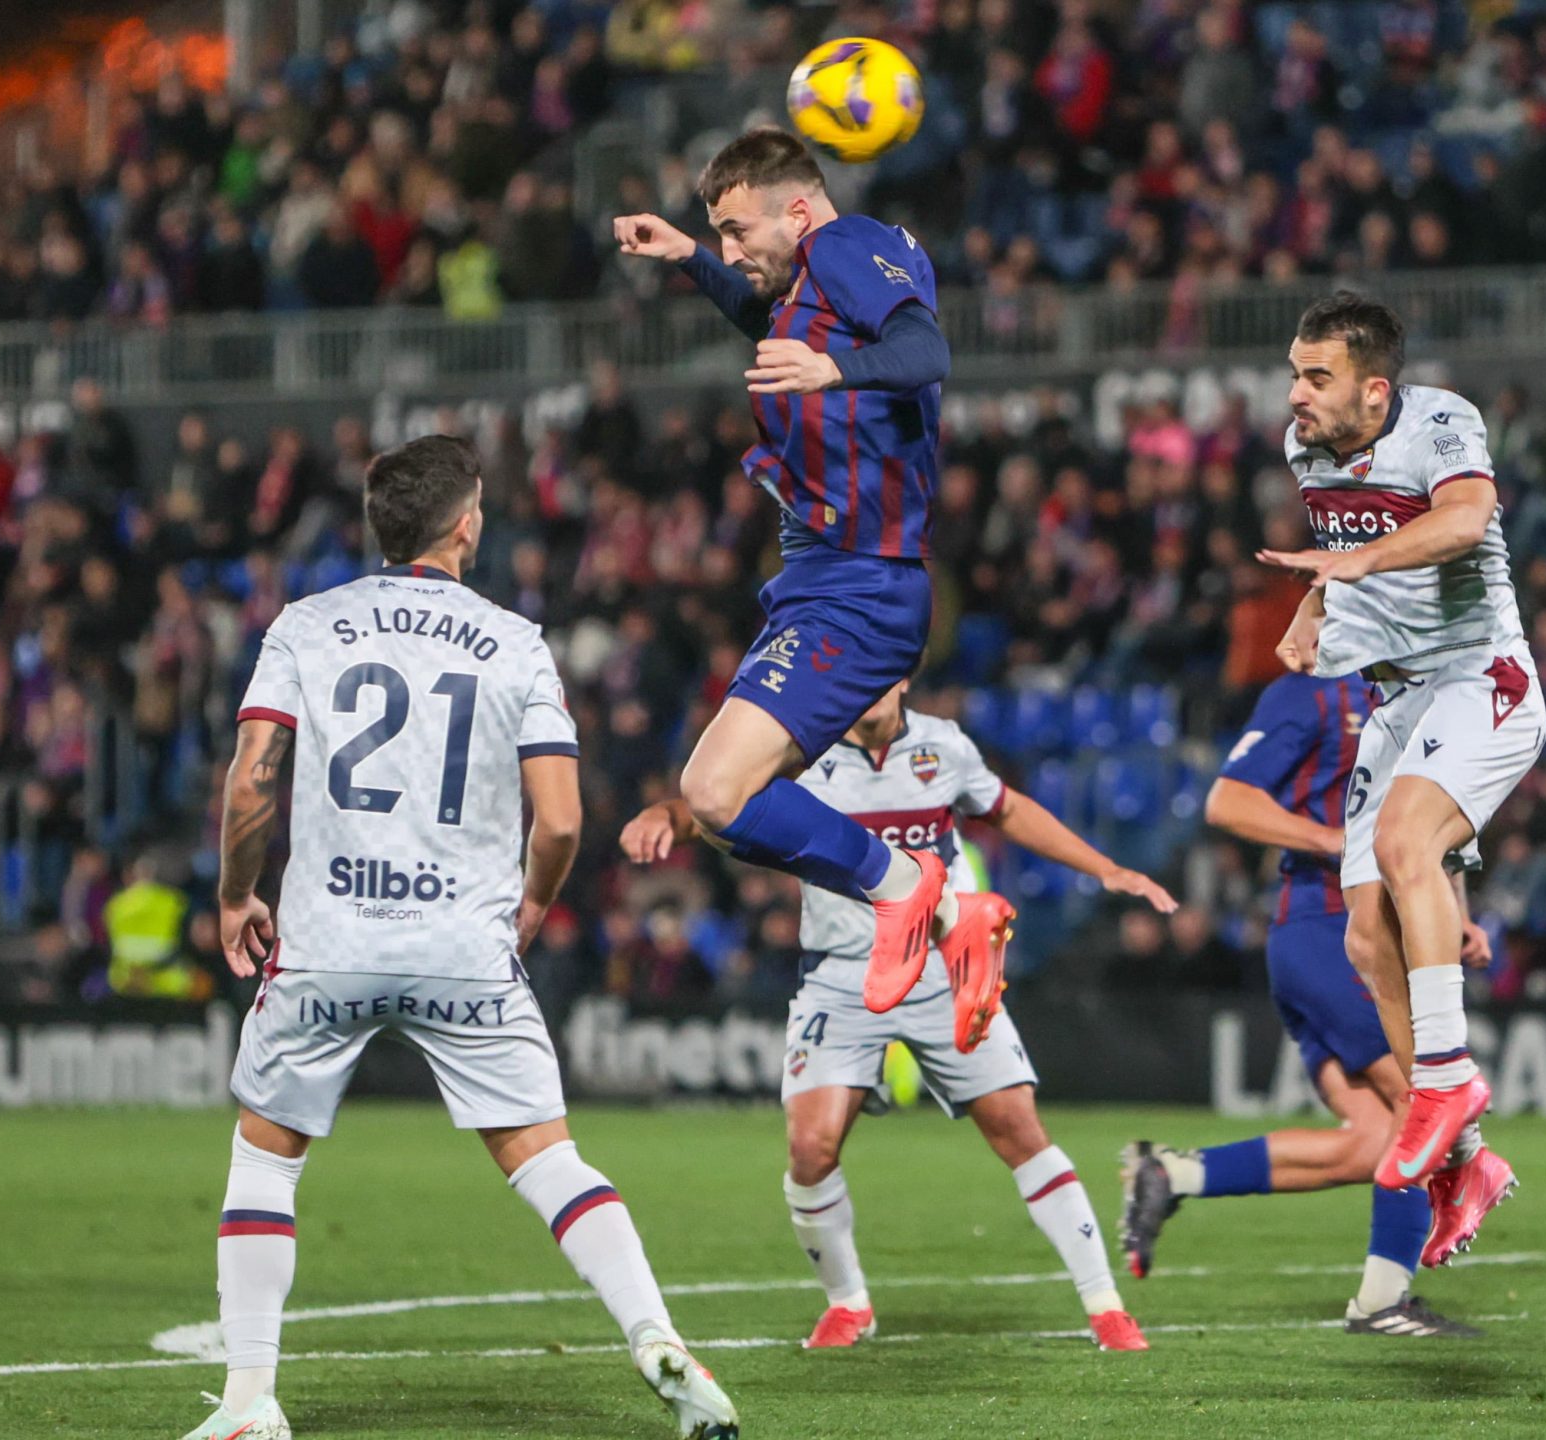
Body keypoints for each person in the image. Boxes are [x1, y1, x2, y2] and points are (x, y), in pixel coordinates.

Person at [183, 436, 737, 1440]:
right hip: (462, 948)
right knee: (548, 1158)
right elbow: (562, 820)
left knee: (264, 1160)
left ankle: (248, 1402)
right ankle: (656, 1336)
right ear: (466, 522)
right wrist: (531, 903)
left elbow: (253, 775)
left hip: (330, 940)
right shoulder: (517, 641)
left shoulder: (306, 627)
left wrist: (235, 892)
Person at [619, 682, 1173, 1352]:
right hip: (841, 974)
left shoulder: (943, 746)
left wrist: (1104, 868)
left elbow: (1010, 809)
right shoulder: (802, 751)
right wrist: (666, 815)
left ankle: (1105, 1306)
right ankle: (848, 1304)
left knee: (1020, 1129)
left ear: (902, 677)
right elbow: (719, 799)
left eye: (880, 675)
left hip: (945, 966)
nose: (866, 689)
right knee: (810, 1148)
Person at [610, 129, 1001, 1043]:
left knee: (711, 791)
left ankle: (910, 890)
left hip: (858, 586)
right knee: (730, 814)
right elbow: (776, 328)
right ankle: (952, 921)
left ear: (798, 208)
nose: (734, 248)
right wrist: (689, 259)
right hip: (827, 579)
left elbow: (924, 351)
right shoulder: (813, 285)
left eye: (738, 230)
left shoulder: (848, 244)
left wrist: (835, 371)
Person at [1253, 293, 1546, 1195]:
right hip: (1396, 698)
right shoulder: (1307, 448)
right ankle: (1464, 1166)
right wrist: (1315, 606)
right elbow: (1347, 553)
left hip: (1481, 675)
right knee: (1365, 941)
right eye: (1294, 373)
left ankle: (1447, 1080)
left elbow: (1461, 523)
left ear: (1375, 392)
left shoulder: (1442, 421)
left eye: (1317, 376)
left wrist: (1349, 570)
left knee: (1401, 843)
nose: (1296, 394)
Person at [1118, 671, 1504, 1338]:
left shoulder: (1424, 685)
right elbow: (1229, 802)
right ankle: (1382, 1302)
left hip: (1373, 934)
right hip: (1328, 932)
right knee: (1425, 1106)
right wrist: (1342, 844)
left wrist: (1455, 915)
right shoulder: (1316, 691)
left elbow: (1435, 825)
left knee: (1375, 1141)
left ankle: (1172, 1174)